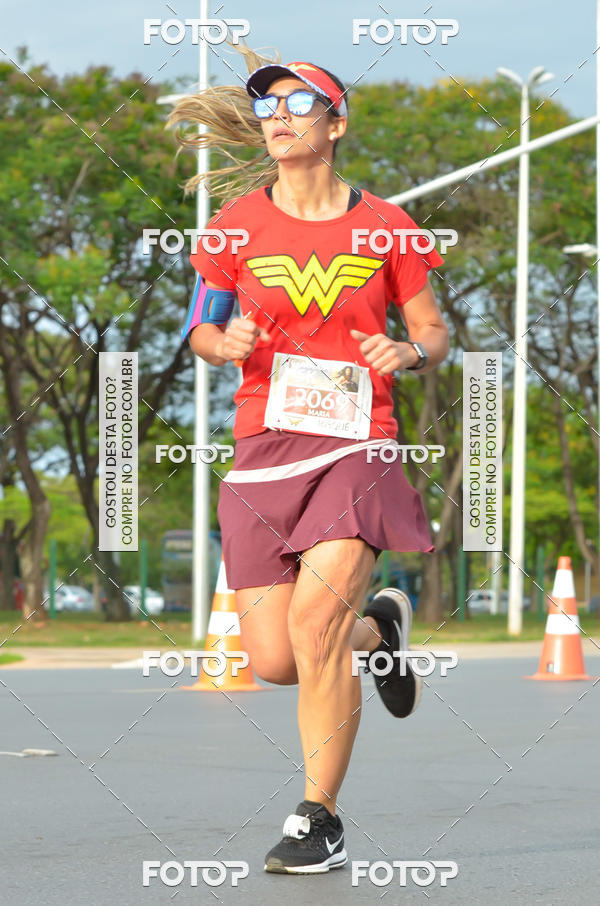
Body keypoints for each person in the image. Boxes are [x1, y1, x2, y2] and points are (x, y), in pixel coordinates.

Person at [171, 51, 449, 875]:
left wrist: (409, 350)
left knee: (314, 625)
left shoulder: (389, 226)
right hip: (263, 451)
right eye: (267, 107)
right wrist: (226, 344)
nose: (280, 115)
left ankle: (317, 816)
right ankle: (382, 633)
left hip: (358, 444)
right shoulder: (232, 228)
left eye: (300, 101)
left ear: (338, 121)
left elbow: (432, 328)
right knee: (277, 661)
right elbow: (200, 330)